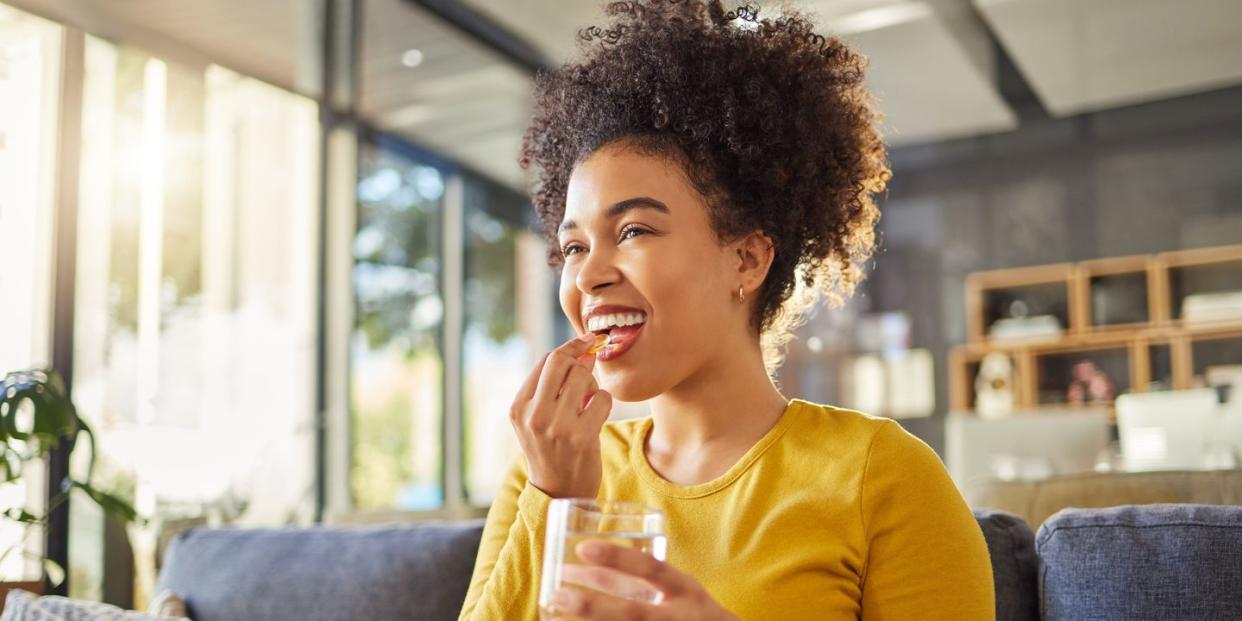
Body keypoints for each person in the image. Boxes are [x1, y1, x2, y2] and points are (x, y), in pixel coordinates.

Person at [459, 1, 994, 619]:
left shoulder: (881, 475)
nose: (589, 275)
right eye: (574, 246)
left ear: (746, 259)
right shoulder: (546, 475)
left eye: (633, 231)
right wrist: (558, 503)